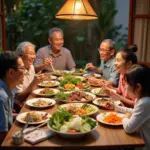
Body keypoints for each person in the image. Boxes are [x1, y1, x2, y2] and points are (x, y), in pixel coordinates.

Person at [113, 64, 150, 150]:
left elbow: (129, 128)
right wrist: (116, 107)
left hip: (143, 145)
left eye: (127, 84)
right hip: (138, 138)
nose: (125, 87)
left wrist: (125, 118)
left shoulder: (145, 102)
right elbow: (135, 112)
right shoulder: (141, 99)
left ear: (138, 87)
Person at [0, 51, 24, 143]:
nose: (25, 72)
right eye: (22, 68)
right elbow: (2, 136)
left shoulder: (8, 88)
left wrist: (23, 117)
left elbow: (7, 117)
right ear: (11, 72)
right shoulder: (2, 97)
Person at [14, 41, 45, 109]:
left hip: (31, 101)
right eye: (30, 53)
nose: (33, 57)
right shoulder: (16, 71)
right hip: (19, 107)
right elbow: (18, 98)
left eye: (34, 53)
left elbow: (33, 88)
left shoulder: (31, 67)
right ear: (20, 55)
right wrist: (34, 83)